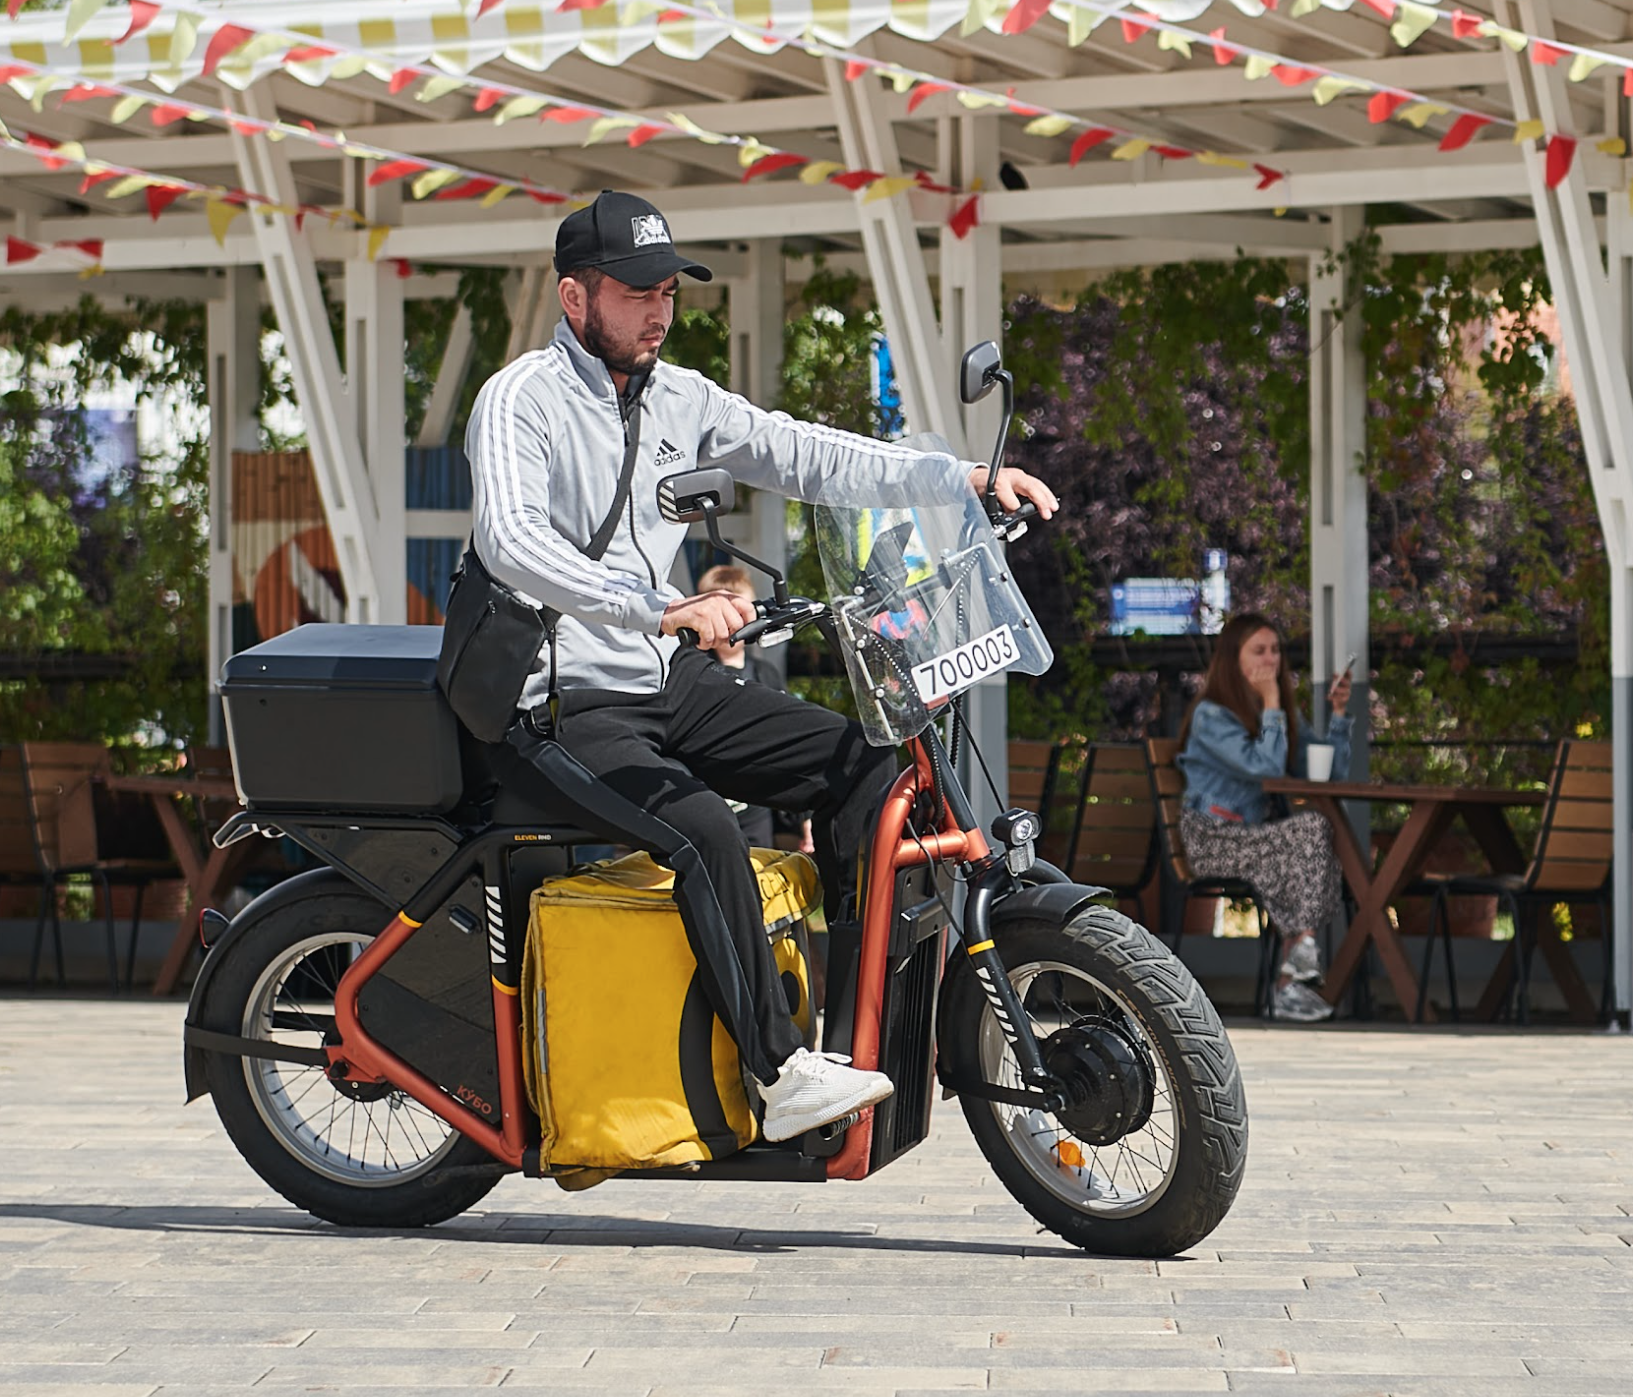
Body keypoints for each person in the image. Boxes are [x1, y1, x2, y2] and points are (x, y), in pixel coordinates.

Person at [464, 189, 1058, 1141]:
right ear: (575, 298)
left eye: (669, 290)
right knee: (703, 826)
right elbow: (512, 541)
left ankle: (855, 1036)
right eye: (636, 291)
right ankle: (779, 1077)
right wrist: (662, 607)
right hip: (556, 699)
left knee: (868, 766)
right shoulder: (518, 400)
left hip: (659, 678)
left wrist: (961, 481)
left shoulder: (679, 397)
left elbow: (806, 455)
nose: (659, 310)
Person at [1175, 613, 1353, 1023]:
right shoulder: (1212, 715)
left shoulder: (1279, 714)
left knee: (1309, 837)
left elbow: (1328, 774)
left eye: (1275, 650)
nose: (1270, 659)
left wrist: (1340, 716)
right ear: (1233, 659)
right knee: (1309, 833)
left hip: (1256, 840)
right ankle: (1295, 965)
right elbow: (1266, 769)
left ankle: (1292, 971)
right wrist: (1273, 704)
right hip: (1213, 839)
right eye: (1259, 651)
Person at [694, 562, 787, 850]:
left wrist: (801, 819)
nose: (734, 625)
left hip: (756, 805)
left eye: (741, 614)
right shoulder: (696, 672)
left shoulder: (766, 674)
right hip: (710, 801)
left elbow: (783, 737)